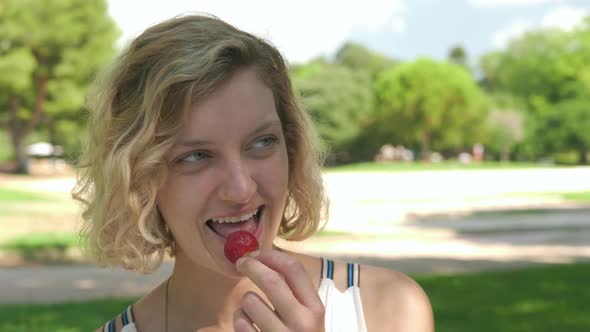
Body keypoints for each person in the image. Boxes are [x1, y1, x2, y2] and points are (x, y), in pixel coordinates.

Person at [73, 13, 434, 332]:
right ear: (139, 177)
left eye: (261, 143)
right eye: (196, 156)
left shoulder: (387, 310)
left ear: (291, 146)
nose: (241, 189)